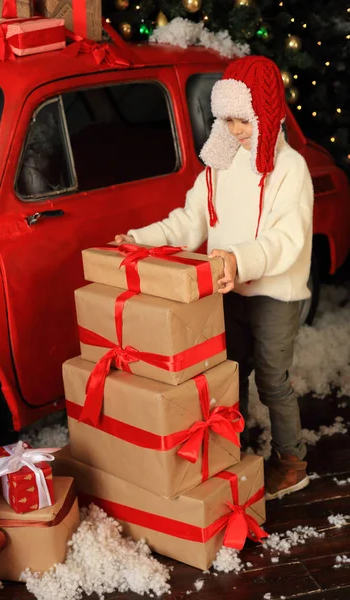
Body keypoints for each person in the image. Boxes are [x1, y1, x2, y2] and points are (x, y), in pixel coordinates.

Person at [115, 55, 314, 500]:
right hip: (227, 288)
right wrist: (139, 239)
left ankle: (292, 460)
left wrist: (237, 260)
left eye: (244, 120)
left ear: (266, 113)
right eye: (226, 119)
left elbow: (287, 239)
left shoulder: (291, 170)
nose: (237, 130)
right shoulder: (219, 167)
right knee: (232, 372)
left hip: (273, 293)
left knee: (272, 379)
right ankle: (232, 451)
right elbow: (189, 221)